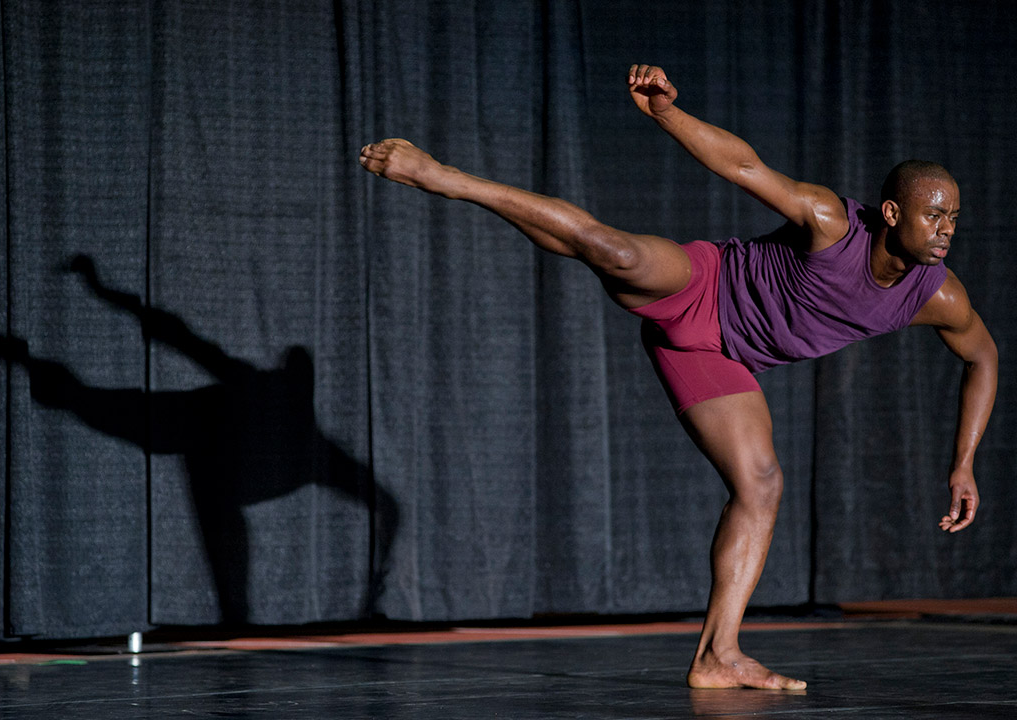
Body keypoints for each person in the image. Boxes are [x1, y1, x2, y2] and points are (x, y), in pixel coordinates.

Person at [357, 64, 997, 690]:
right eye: (933, 215)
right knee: (614, 251)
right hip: (703, 287)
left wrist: (963, 462)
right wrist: (668, 113)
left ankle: (718, 654)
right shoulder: (831, 222)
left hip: (718, 359)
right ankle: (444, 177)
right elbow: (742, 165)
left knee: (762, 485)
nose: (945, 230)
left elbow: (983, 357)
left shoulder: (935, 297)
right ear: (891, 212)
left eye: (953, 218)